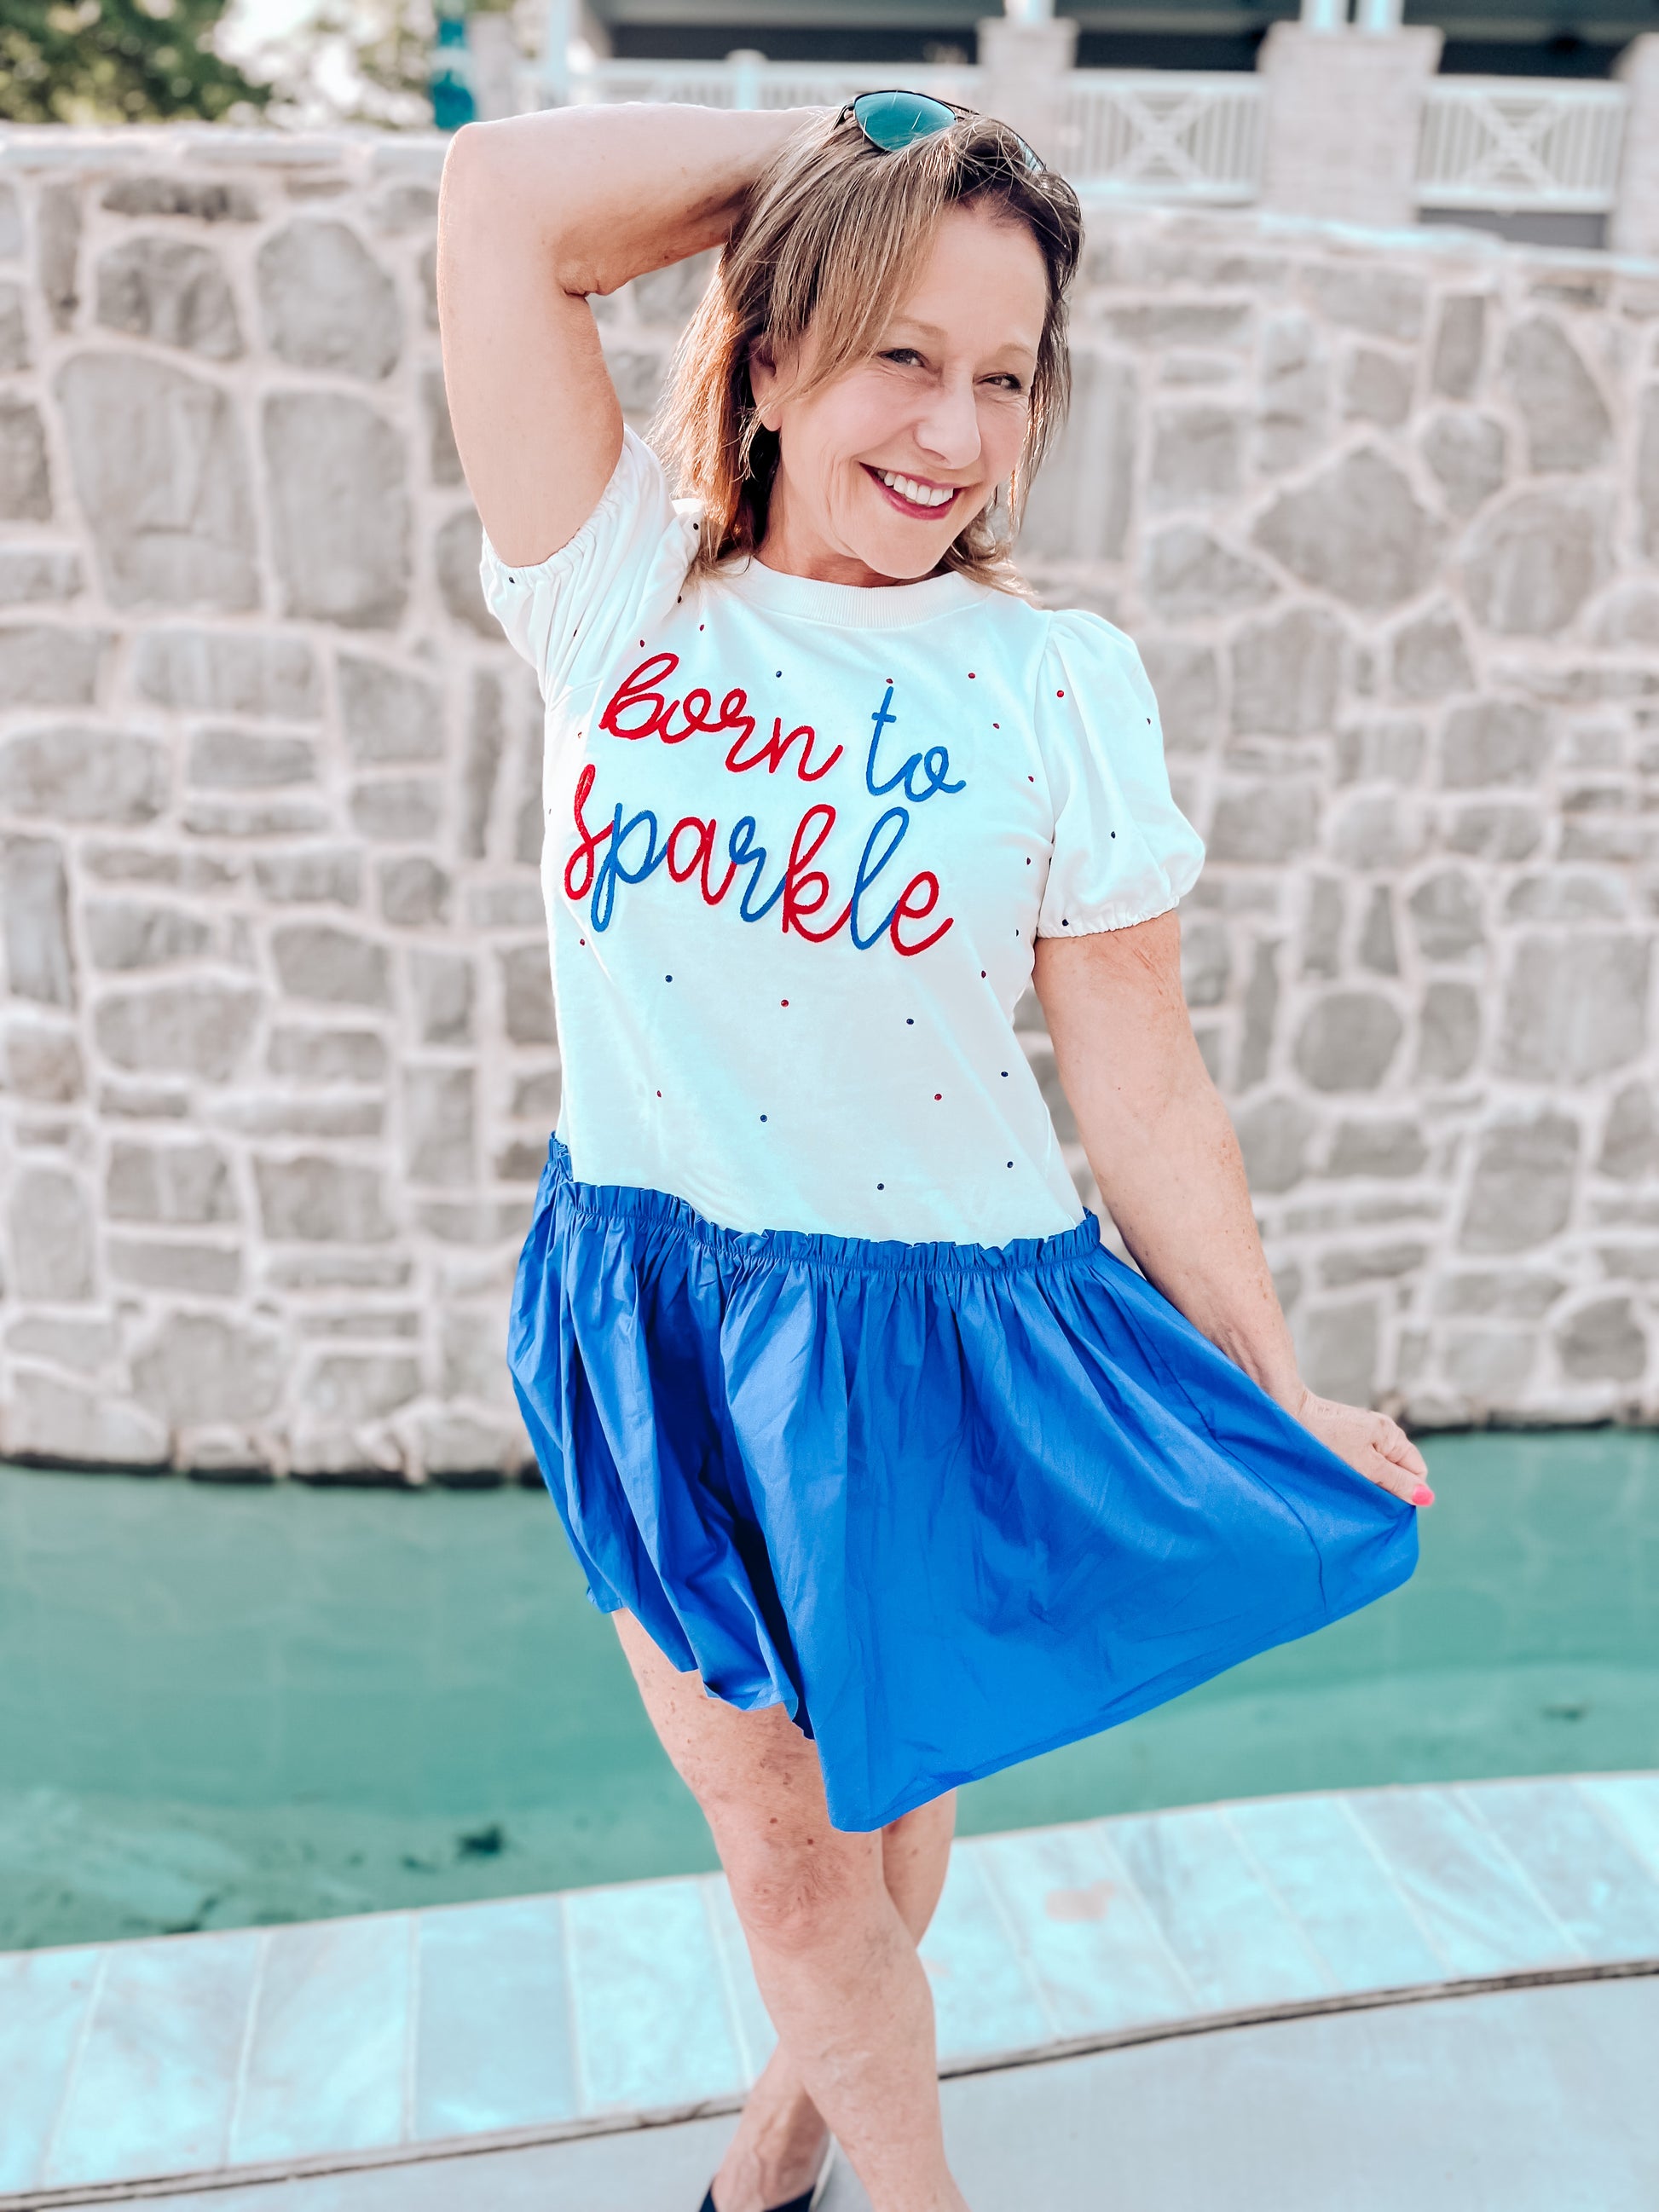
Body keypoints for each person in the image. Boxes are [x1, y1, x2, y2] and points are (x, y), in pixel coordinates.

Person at [436, 90, 1431, 2212]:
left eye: (1004, 374)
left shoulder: (1052, 681)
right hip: (667, 1309)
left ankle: (770, 2160)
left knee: (880, 1808)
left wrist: (1268, 1383)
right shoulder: (618, 596)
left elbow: (1140, 1074)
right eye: (902, 349)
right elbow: (501, 199)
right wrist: (850, 157)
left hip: (958, 1318)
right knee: (789, 1858)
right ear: (774, 353)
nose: (955, 430)